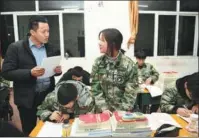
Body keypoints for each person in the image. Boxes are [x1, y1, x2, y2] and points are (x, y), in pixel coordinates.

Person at [1, 15, 62, 135]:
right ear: (32, 32)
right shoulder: (16, 48)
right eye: (43, 31)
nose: (47, 34)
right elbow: (6, 72)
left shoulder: (51, 48)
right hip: (27, 98)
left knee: (50, 128)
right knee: (30, 131)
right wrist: (29, 73)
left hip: (48, 96)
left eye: (48, 31)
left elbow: (51, 71)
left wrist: (57, 71)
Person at [90, 28, 138, 114]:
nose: (99, 43)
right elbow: (95, 88)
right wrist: (104, 108)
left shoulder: (128, 65)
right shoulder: (98, 63)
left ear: (113, 44)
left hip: (123, 113)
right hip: (102, 111)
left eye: (102, 41)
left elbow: (131, 92)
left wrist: (121, 111)